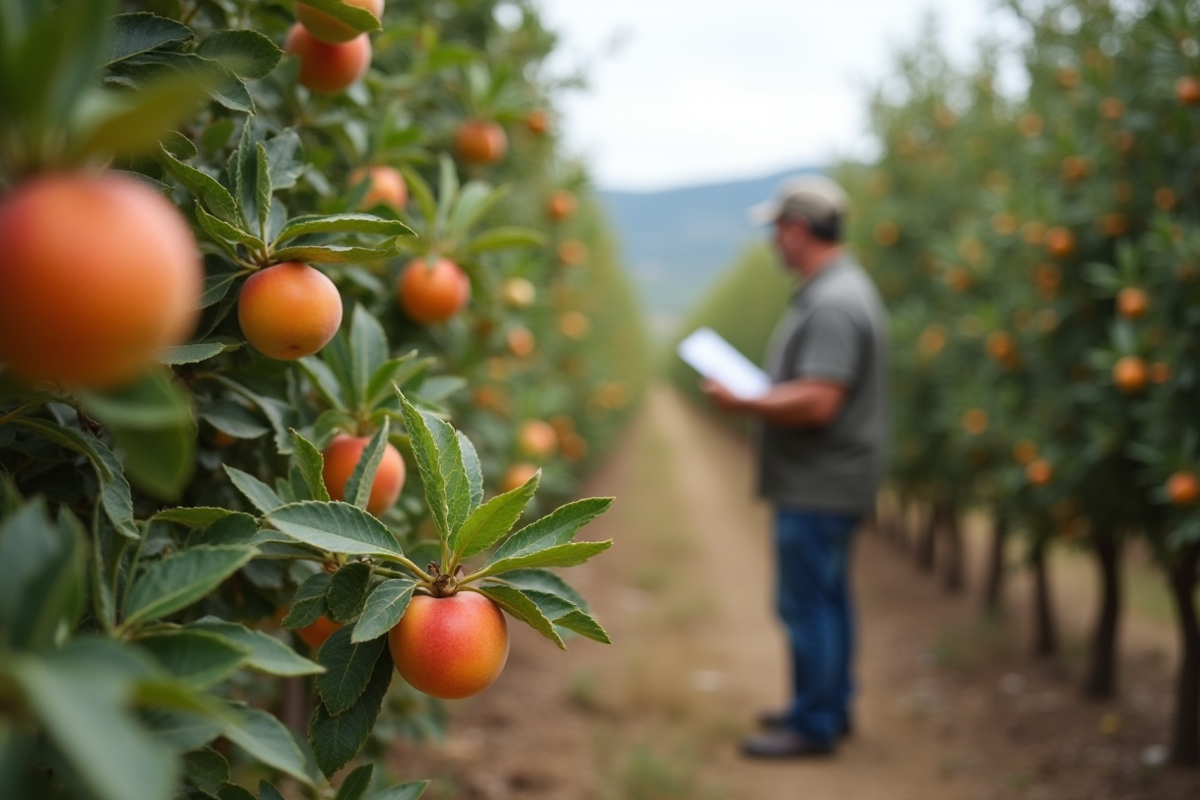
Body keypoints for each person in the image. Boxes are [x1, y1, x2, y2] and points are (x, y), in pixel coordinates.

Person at [702, 174, 889, 758]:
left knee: (806, 603)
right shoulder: (838, 290)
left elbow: (820, 399)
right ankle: (829, 704)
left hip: (819, 483)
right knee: (828, 597)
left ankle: (812, 723)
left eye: (776, 230)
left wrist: (745, 401)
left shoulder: (834, 302)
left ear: (798, 230)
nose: (773, 242)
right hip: (830, 478)